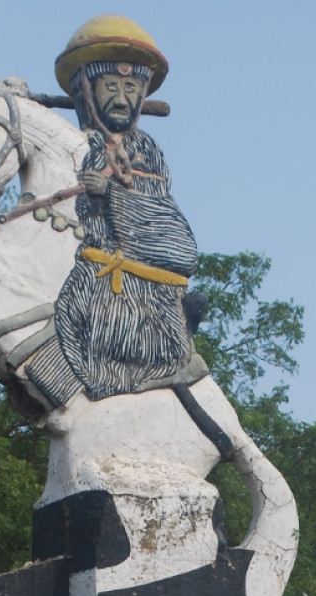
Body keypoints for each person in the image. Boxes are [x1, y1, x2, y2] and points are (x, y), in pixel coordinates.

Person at [26, 15, 199, 406]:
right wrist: (12, 103)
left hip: (135, 290)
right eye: (111, 86)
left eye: (131, 87)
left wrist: (114, 195)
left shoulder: (146, 151)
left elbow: (175, 234)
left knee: (105, 337)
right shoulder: (68, 143)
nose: (122, 98)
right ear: (84, 89)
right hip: (79, 272)